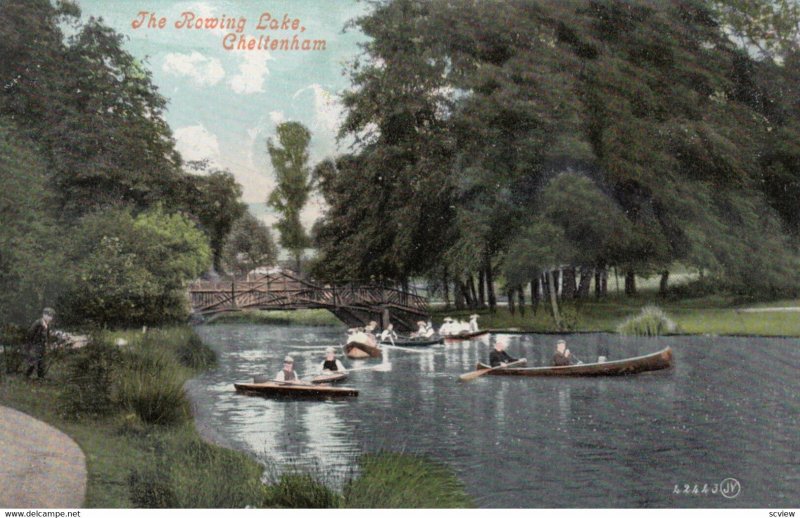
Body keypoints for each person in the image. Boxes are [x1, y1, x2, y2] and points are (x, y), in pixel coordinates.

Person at [25, 308, 55, 379]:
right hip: (35, 345)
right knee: (33, 360)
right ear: (44, 315)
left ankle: (40, 376)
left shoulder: (47, 325)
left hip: (42, 345)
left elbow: (47, 335)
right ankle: (27, 375)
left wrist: (48, 343)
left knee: (41, 361)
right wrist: (31, 344)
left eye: (51, 316)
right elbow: (30, 333)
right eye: (48, 316)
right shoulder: (38, 323)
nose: (50, 318)